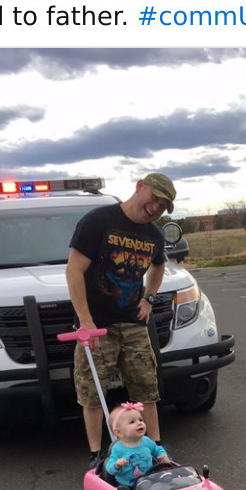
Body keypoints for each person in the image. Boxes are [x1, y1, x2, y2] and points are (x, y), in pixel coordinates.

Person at [66, 173, 176, 467]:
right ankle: (96, 455)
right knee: (92, 392)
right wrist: (86, 321)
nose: (156, 208)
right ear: (140, 187)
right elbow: (74, 271)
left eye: (163, 206)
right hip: (96, 325)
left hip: (132, 324)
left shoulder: (153, 235)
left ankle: (157, 451)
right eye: (154, 198)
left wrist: (148, 298)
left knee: (147, 388)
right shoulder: (98, 221)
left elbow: (158, 265)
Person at [104, 402, 170, 487]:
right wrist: (117, 465)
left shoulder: (146, 441)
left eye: (140, 420)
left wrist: (162, 455)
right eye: (132, 422)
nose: (139, 423)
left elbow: (158, 449)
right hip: (127, 486)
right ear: (119, 432)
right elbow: (109, 468)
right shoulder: (118, 449)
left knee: (165, 482)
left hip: (149, 478)